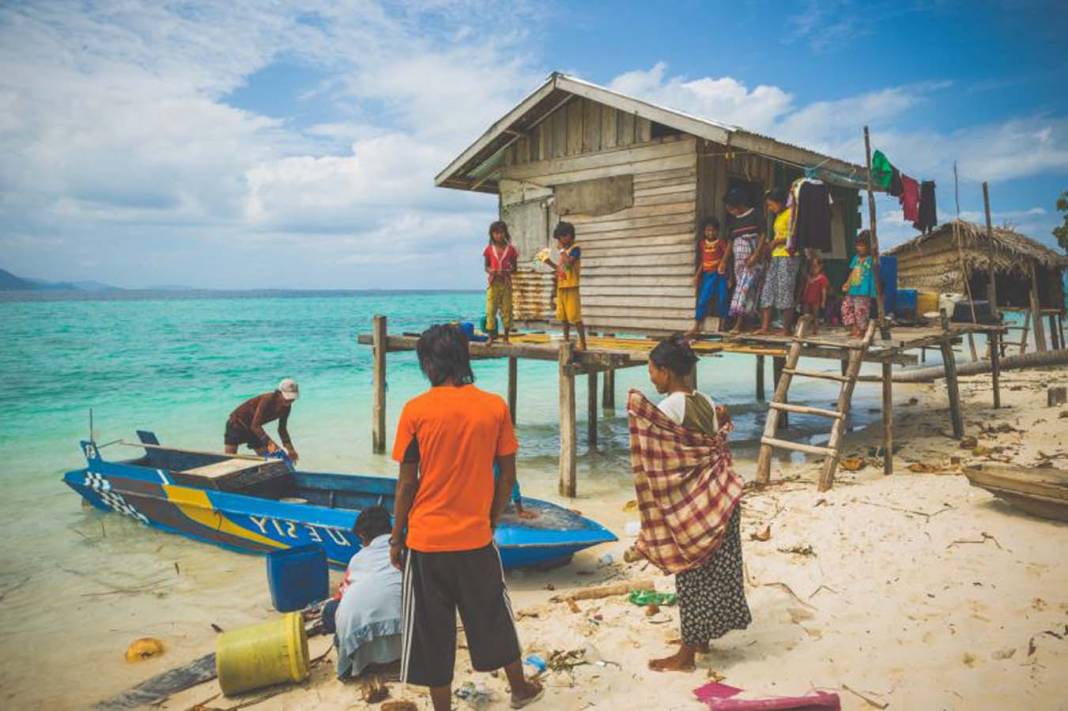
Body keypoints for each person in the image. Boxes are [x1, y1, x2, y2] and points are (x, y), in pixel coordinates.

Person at [389, 324, 543, 711]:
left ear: (429, 363)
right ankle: (520, 689)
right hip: (475, 538)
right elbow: (506, 475)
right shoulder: (493, 406)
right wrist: (490, 519)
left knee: (431, 629)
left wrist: (396, 537)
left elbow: (407, 485)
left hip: (425, 541)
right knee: (492, 614)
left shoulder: (415, 411)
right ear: (463, 359)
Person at [628, 336, 749, 673]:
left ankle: (686, 656)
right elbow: (704, 446)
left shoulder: (668, 408)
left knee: (690, 573)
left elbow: (667, 455)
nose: (650, 376)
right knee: (713, 571)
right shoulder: (707, 401)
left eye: (652, 369)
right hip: (719, 497)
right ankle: (702, 638)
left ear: (666, 372)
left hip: (693, 503)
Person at [319, 506, 403, 679]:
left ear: (363, 536)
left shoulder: (357, 559)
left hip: (360, 644)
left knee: (329, 611)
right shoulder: (407, 550)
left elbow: (342, 594)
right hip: (406, 637)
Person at [756, 188, 799, 336]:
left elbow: (794, 235)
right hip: (776, 256)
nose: (770, 208)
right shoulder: (779, 216)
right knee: (768, 289)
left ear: (780, 202)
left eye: (771, 204)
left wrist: (776, 241)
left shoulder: (791, 214)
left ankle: (786, 329)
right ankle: (765, 327)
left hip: (788, 256)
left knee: (785, 291)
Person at [723, 189, 767, 335]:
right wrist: (724, 261)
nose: (730, 211)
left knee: (745, 289)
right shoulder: (733, 221)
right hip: (738, 262)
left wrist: (755, 255)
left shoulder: (756, 215)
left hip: (752, 260)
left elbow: (762, 236)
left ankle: (738, 324)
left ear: (739, 205)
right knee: (742, 289)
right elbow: (730, 242)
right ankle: (747, 324)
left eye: (731, 208)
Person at [224, 379, 299, 462]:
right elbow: (255, 425)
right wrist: (271, 445)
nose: (290, 401)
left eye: (293, 398)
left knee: (267, 459)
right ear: (279, 393)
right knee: (229, 460)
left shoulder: (287, 407)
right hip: (236, 424)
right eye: (287, 397)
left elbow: (282, 429)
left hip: (253, 430)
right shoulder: (267, 400)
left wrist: (290, 449)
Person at [544, 221, 587, 351]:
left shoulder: (575, 249)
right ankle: (566, 341)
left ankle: (583, 344)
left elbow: (569, 264)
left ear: (568, 236)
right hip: (561, 286)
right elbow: (561, 269)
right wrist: (549, 262)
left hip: (572, 287)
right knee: (563, 317)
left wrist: (562, 250)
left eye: (561, 238)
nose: (560, 241)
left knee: (575, 316)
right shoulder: (565, 252)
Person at [687, 217, 730, 337]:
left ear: (717, 231)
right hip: (708, 275)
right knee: (703, 299)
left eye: (713, 230)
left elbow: (727, 259)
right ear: (704, 231)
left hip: (720, 275)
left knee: (723, 298)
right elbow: (703, 261)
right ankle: (696, 326)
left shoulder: (721, 242)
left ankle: (722, 325)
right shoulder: (702, 244)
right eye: (707, 230)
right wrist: (697, 275)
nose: (710, 233)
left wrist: (730, 277)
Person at [484, 221, 518, 346]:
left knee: (507, 310)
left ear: (505, 233)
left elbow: (515, 268)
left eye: (501, 233)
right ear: (492, 234)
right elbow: (486, 267)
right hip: (493, 283)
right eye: (496, 233)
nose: (498, 235)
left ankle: (506, 337)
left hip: (506, 283)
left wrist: (508, 270)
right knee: (490, 310)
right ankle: (491, 337)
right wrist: (491, 270)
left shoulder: (511, 250)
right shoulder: (489, 249)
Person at [841, 231, 878, 338]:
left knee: (860, 311)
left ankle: (861, 331)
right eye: (857, 245)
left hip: (864, 290)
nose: (859, 248)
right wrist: (847, 283)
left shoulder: (872, 259)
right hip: (853, 288)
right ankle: (854, 329)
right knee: (846, 308)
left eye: (862, 245)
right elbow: (853, 272)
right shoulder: (856, 259)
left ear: (869, 246)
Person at [800, 255, 830, 334]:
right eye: (812, 267)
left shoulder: (822, 278)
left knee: (815, 315)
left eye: (815, 267)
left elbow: (824, 290)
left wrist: (823, 301)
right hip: (807, 298)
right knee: (805, 314)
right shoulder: (809, 277)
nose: (813, 269)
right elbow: (805, 286)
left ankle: (815, 329)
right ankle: (804, 329)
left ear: (821, 267)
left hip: (816, 299)